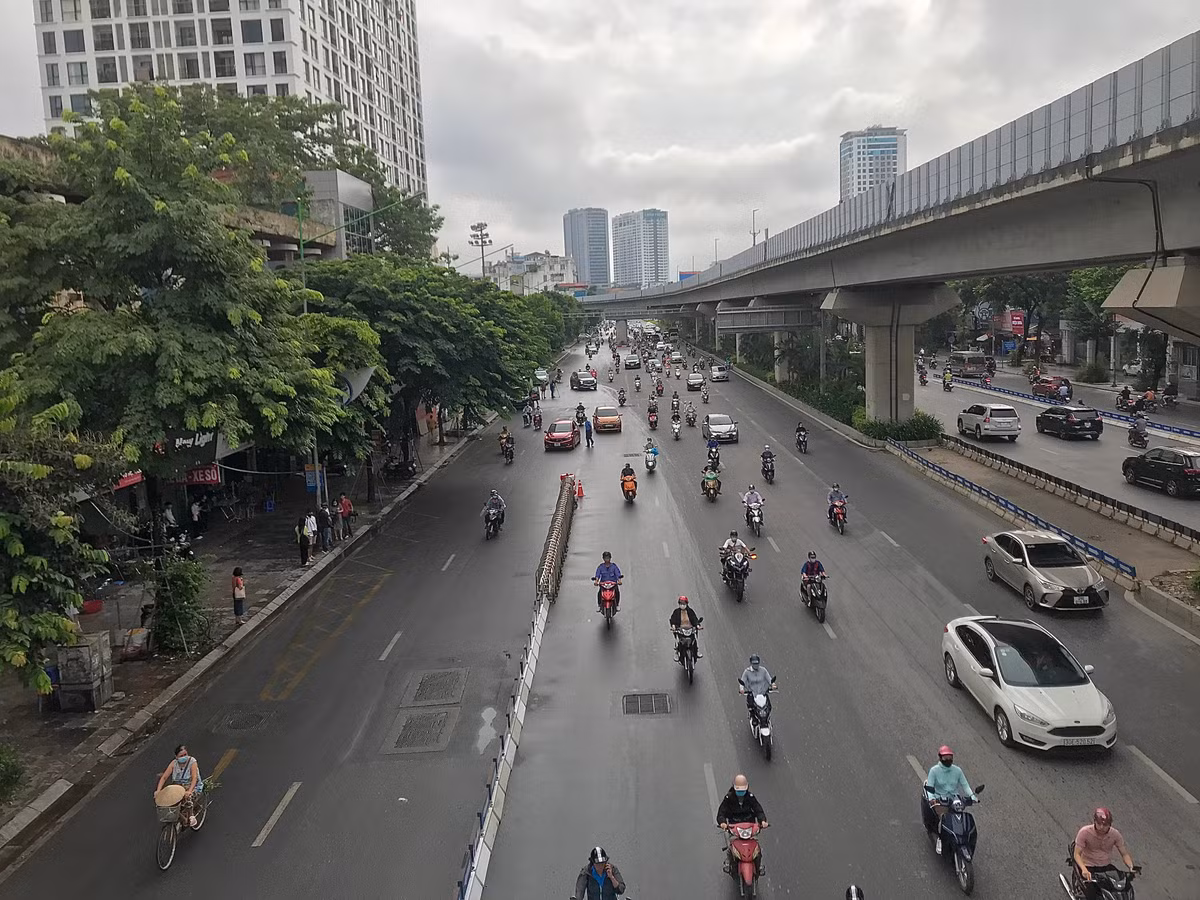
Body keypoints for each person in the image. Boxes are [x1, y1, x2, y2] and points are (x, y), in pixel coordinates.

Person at [923, 745, 977, 855]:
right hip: (940, 800)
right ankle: (940, 839)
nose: (948, 760)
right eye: (945, 758)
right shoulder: (934, 771)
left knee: (960, 818)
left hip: (954, 800)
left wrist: (972, 796)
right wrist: (932, 799)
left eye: (950, 757)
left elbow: (965, 785)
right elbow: (930, 787)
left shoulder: (957, 771)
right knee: (943, 818)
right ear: (940, 758)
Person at [1073, 807, 1135, 898]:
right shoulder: (1084, 832)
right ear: (1094, 821)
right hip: (1088, 866)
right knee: (1093, 894)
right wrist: (1084, 869)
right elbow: (1077, 854)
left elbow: (1124, 854)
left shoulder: (1115, 834)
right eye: (1099, 824)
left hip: (1106, 867)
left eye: (1105, 825)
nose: (1102, 827)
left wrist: (1131, 866)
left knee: (1125, 887)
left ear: (1110, 824)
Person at [716, 774, 768, 875]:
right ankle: (729, 862)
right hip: (734, 826)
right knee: (731, 846)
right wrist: (722, 823)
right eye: (739, 791)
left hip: (749, 826)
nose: (741, 793)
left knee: (756, 849)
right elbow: (721, 812)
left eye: (742, 791)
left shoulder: (750, 797)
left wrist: (763, 821)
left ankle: (758, 867)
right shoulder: (729, 798)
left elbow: (758, 810)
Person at [154, 744, 203, 828]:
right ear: (176, 757)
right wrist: (158, 790)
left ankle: (191, 816)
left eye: (185, 755)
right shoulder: (174, 763)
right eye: (181, 756)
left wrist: (189, 791)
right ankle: (182, 818)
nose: (184, 757)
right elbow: (164, 777)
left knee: (187, 799)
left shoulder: (192, 762)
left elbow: (194, 778)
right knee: (168, 802)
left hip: (192, 786)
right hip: (177, 788)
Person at [669, 595, 703, 660]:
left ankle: (697, 651)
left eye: (684, 604)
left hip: (690, 629)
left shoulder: (690, 611)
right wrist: (673, 626)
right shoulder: (676, 612)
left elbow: (694, 619)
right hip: (681, 629)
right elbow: (673, 620)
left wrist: (697, 626)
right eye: (681, 604)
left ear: (686, 604)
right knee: (679, 641)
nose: (682, 605)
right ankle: (677, 652)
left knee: (694, 640)